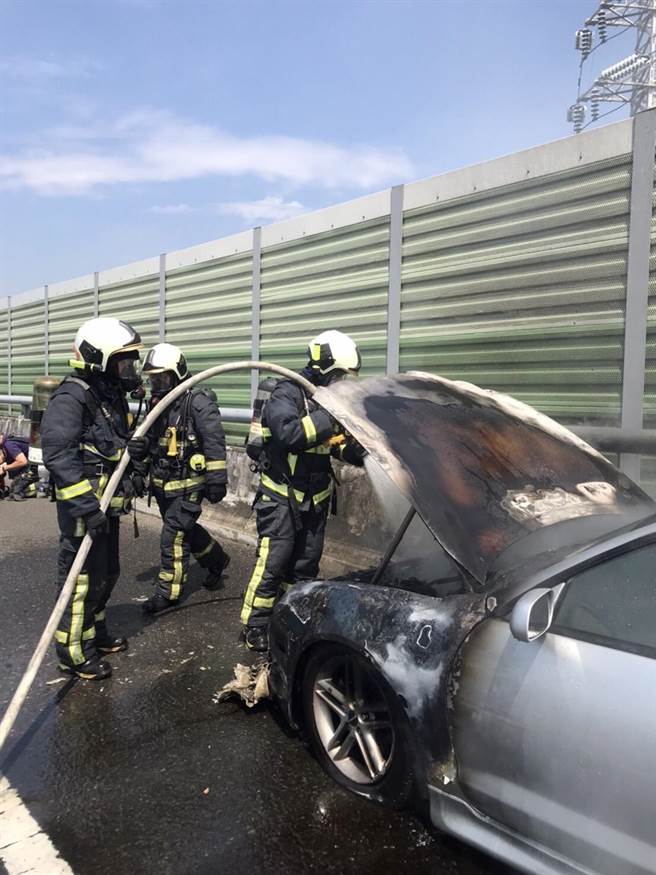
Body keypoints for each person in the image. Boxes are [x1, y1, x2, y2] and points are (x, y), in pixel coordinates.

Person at [240, 330, 366, 652]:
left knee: (305, 566)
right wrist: (331, 417)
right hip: (281, 495)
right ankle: (255, 625)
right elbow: (289, 434)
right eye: (339, 375)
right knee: (273, 563)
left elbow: (329, 445)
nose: (342, 383)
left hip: (316, 497)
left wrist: (357, 453)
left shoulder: (327, 400)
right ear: (324, 366)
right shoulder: (289, 391)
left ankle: (291, 616)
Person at [41, 317, 143, 680]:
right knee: (80, 579)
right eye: (123, 361)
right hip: (85, 510)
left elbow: (110, 445)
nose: (129, 369)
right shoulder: (72, 397)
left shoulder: (108, 395)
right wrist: (86, 506)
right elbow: (58, 455)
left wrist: (134, 449)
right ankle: (72, 653)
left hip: (106, 508)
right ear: (98, 359)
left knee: (106, 573)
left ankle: (94, 634)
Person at [127, 343, 230, 614]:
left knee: (172, 537)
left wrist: (217, 479)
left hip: (188, 486)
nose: (157, 383)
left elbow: (214, 441)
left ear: (178, 374)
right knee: (186, 531)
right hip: (163, 486)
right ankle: (216, 560)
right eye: (153, 378)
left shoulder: (197, 401)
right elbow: (149, 442)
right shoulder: (157, 406)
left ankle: (168, 593)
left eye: (162, 377)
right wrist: (138, 463)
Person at [0, 432, 31, 499]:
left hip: (34, 468)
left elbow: (23, 461)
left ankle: (41, 487)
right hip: (30, 465)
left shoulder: (9, 444)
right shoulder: (6, 440)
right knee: (13, 488)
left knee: (15, 492)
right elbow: (3, 456)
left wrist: (4, 468)